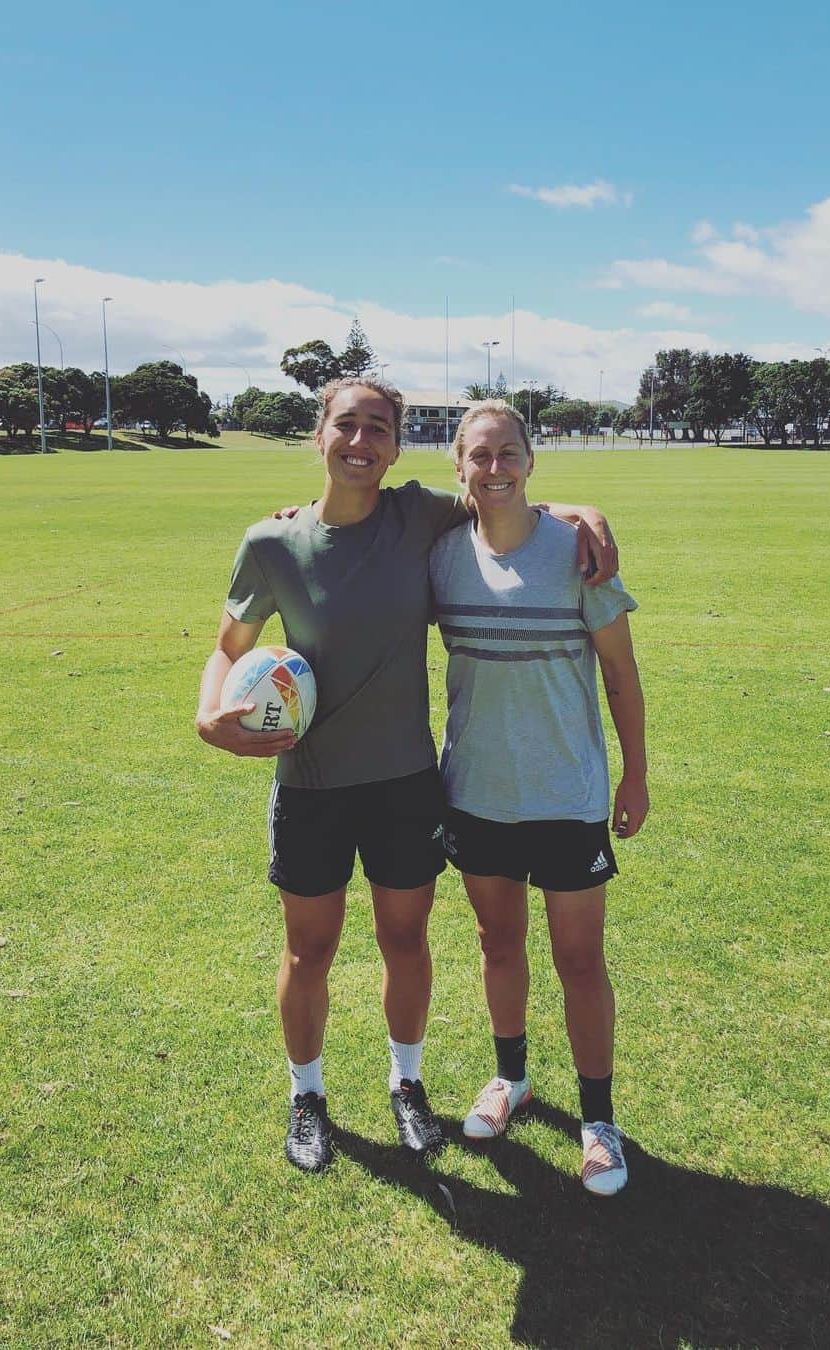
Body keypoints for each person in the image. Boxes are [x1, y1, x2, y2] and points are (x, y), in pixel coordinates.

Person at [195, 377, 617, 1175]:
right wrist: (208, 711)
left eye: (379, 430)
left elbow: (503, 496)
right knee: (308, 951)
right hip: (311, 785)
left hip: (405, 784)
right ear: (319, 436)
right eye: (346, 427)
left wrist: (582, 513)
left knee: (405, 940)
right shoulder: (271, 543)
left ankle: (408, 1084)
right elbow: (228, 644)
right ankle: (308, 1097)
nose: (362, 443)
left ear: (395, 444)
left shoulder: (418, 515)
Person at [429, 400, 648, 1196]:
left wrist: (635, 773)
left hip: (568, 796)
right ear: (459, 466)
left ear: (531, 459)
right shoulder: (441, 554)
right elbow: (367, 528)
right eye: (479, 456)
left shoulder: (578, 554)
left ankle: (598, 1121)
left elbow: (620, 675)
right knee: (498, 946)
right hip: (477, 793)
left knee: (581, 960)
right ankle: (511, 1078)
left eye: (508, 453)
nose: (494, 468)